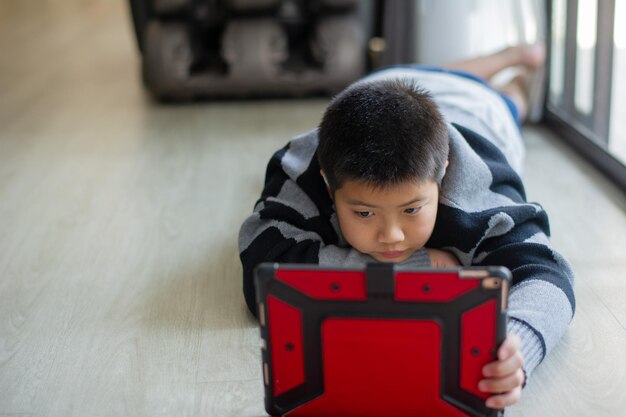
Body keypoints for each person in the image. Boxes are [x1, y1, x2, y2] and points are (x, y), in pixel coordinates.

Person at [238, 45, 575, 410]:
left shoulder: (478, 193)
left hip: (481, 111)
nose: (392, 236)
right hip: (377, 87)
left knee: (511, 103)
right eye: (365, 213)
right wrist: (417, 265)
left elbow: (547, 273)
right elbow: (262, 260)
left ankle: (515, 69)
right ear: (326, 181)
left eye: (412, 209)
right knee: (428, 74)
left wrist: (518, 344)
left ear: (443, 174)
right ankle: (494, 62)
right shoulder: (301, 171)